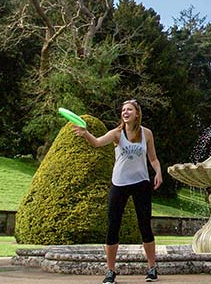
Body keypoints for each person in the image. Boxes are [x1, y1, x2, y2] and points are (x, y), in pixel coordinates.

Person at [73, 99, 162, 284]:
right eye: (123, 110)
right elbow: (97, 143)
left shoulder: (147, 133)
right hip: (119, 183)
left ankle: (152, 268)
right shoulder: (117, 133)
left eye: (129, 109)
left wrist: (158, 172)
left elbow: (153, 158)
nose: (125, 112)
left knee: (145, 225)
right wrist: (86, 133)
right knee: (113, 226)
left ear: (137, 113)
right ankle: (111, 271)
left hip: (141, 183)